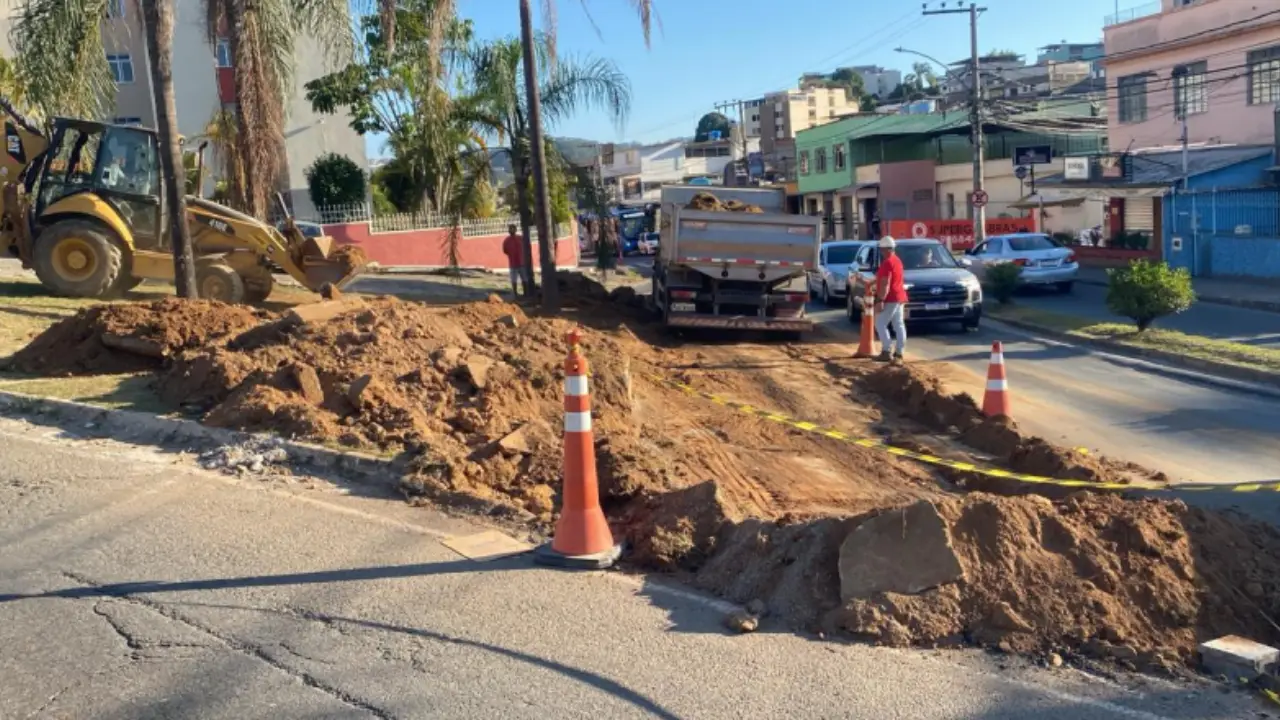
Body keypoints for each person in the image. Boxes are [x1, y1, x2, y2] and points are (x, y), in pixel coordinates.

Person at [873, 235, 907, 363]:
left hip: (890, 298)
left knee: (880, 323)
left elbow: (885, 284)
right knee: (898, 324)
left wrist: (880, 300)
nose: (881, 252)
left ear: (886, 249)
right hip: (899, 296)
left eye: (882, 249)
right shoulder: (897, 261)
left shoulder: (887, 263)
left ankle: (886, 350)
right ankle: (899, 353)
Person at [501, 224, 525, 296]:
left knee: (524, 279)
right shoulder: (506, 241)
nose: (511, 230)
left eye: (513, 228)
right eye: (510, 229)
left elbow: (526, 248)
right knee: (514, 280)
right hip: (513, 263)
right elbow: (505, 251)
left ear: (515, 230)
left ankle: (526, 292)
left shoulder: (521, 238)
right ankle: (515, 293)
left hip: (522, 262)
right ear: (508, 231)